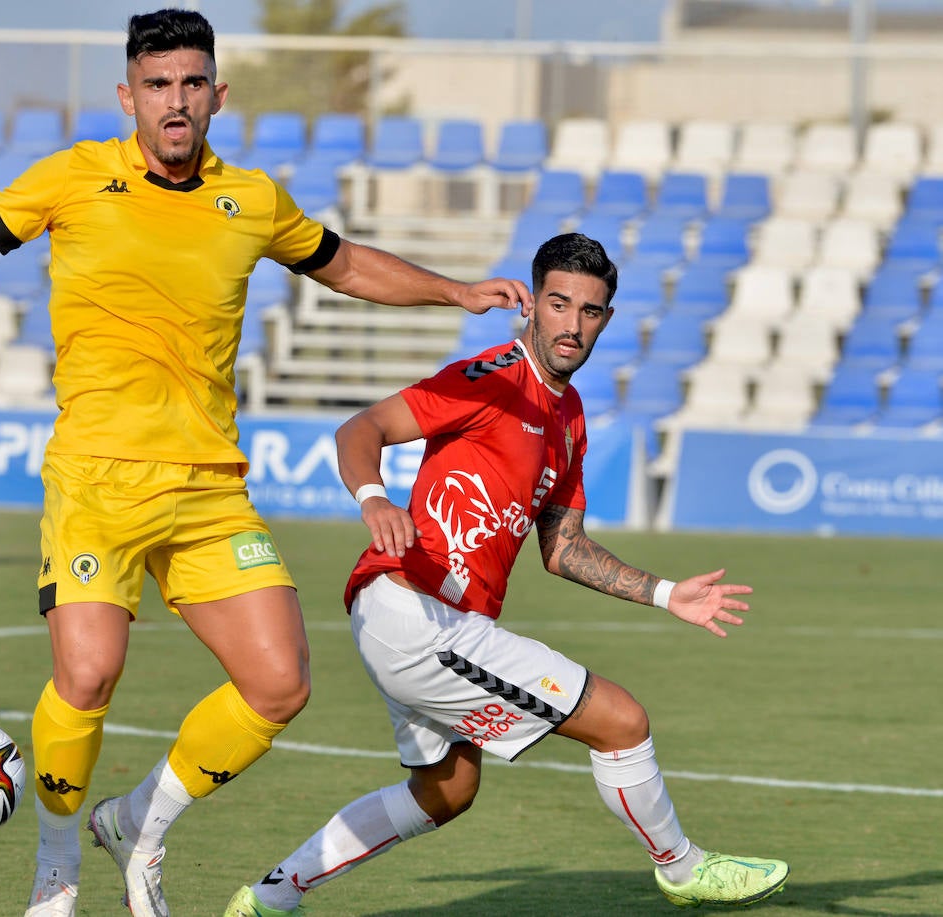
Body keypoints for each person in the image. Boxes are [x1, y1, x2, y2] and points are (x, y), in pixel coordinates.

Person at [0, 9, 532, 917]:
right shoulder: (75, 177)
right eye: (158, 85)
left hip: (208, 488)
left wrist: (454, 289)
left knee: (279, 683)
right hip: (96, 478)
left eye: (192, 83)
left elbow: (345, 263)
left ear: (217, 95)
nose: (176, 100)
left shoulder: (251, 198)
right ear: (128, 96)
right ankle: (56, 862)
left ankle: (141, 826)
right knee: (87, 675)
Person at [224, 233, 789, 916]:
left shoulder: (569, 416)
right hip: (414, 611)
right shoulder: (490, 376)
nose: (573, 324)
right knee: (622, 721)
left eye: (590, 311)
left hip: (428, 622)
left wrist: (666, 593)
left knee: (445, 790)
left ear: (605, 320)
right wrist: (374, 499)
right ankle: (682, 867)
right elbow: (361, 429)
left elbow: (563, 546)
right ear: (532, 305)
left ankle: (268, 896)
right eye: (559, 303)